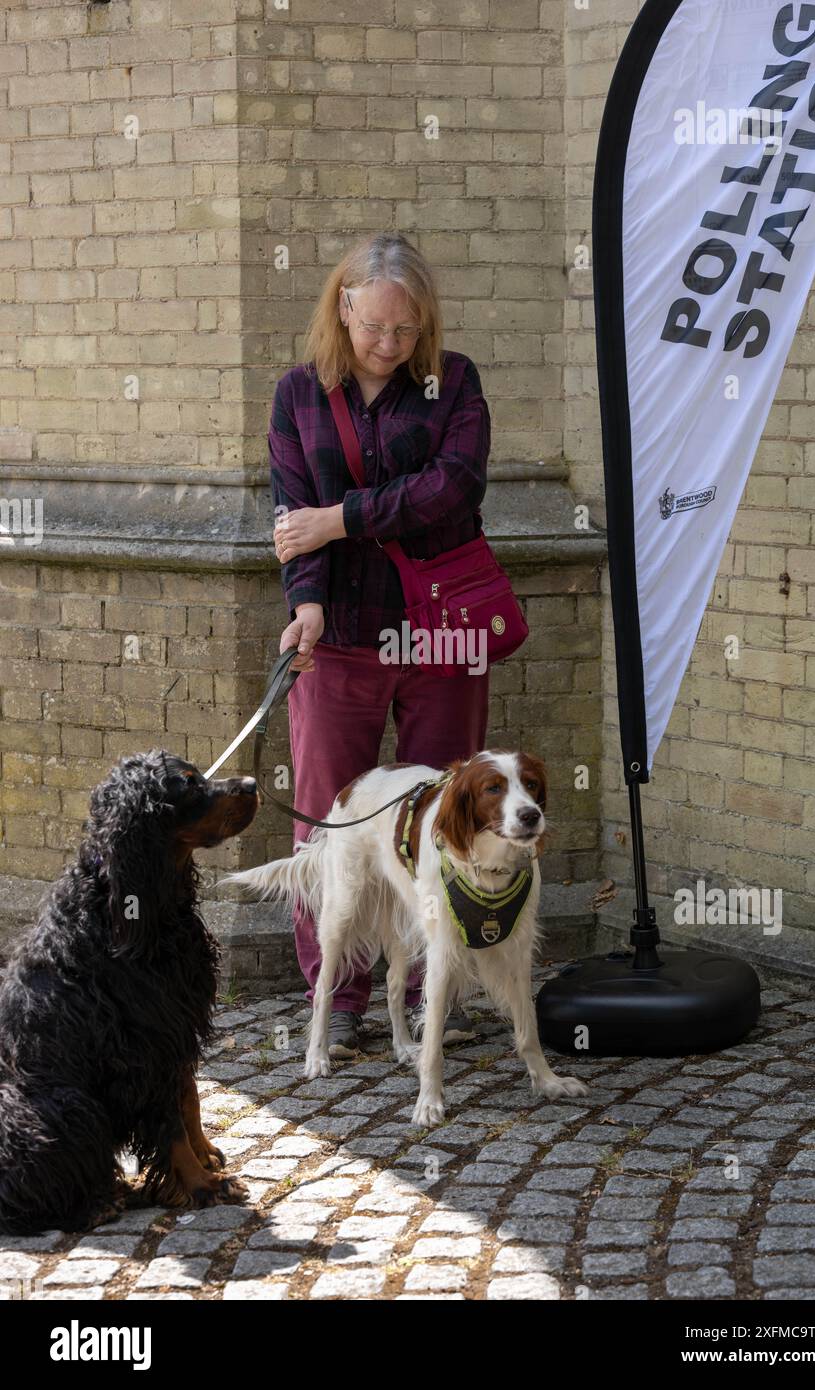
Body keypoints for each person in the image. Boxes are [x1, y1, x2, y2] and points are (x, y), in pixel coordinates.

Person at [269, 231, 491, 1057]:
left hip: (443, 636)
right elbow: (295, 516)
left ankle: (442, 984)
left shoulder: (454, 383)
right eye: (374, 329)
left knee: (450, 816)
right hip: (343, 640)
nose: (390, 345)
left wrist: (345, 517)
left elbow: (452, 488)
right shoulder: (297, 395)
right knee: (331, 823)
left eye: (406, 330)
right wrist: (308, 604)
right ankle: (340, 992)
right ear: (342, 308)